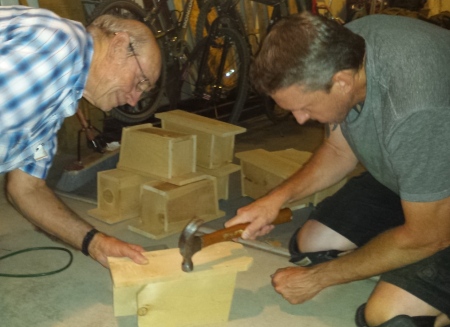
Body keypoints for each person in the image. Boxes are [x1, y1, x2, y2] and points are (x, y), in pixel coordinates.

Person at [225, 11, 450, 327]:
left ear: (342, 82)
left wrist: (318, 278)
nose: (300, 120)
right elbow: (337, 151)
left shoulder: (416, 112)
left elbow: (429, 237)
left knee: (388, 316)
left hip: (437, 193)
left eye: (304, 107)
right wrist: (273, 201)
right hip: (418, 170)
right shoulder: (346, 45)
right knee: (312, 244)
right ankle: (417, 212)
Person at [0, 6, 162, 268]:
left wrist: (95, 242)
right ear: (120, 44)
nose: (133, 101)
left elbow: (27, 189)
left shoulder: (54, 107)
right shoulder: (56, 49)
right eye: (140, 81)